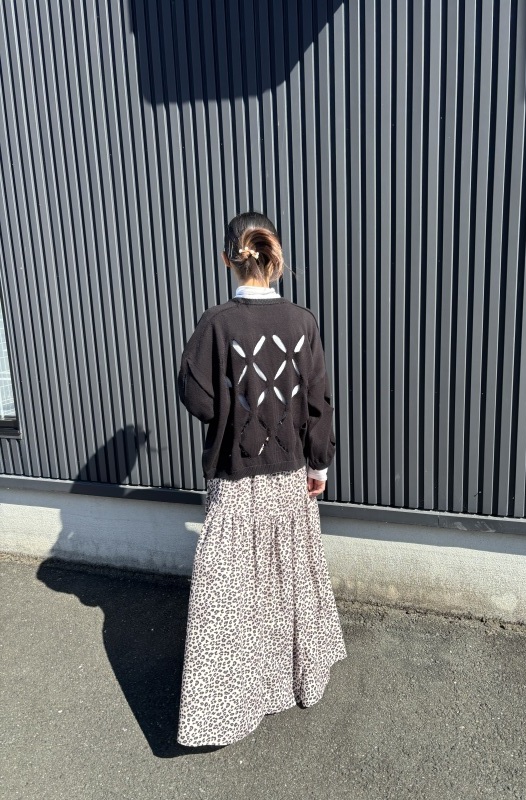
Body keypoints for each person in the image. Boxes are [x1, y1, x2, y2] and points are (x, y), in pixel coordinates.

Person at [176, 211, 347, 748]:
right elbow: (318, 401)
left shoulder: (217, 323)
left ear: (227, 258)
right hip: (291, 474)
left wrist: (235, 413)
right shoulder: (302, 321)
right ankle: (296, 681)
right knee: (287, 578)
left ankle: (231, 707)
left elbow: (196, 395)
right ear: (275, 259)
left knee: (231, 591)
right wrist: (318, 465)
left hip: (236, 475)